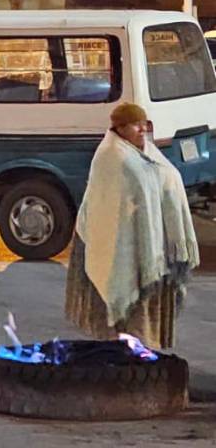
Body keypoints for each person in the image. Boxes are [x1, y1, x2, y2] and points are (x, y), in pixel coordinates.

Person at [65, 102, 200, 349]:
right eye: (135, 125)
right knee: (124, 315)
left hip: (152, 251)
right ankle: (122, 356)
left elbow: (166, 177)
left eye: (143, 124)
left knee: (144, 317)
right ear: (120, 128)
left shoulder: (146, 152)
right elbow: (111, 208)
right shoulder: (112, 157)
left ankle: (145, 351)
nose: (141, 130)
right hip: (121, 250)